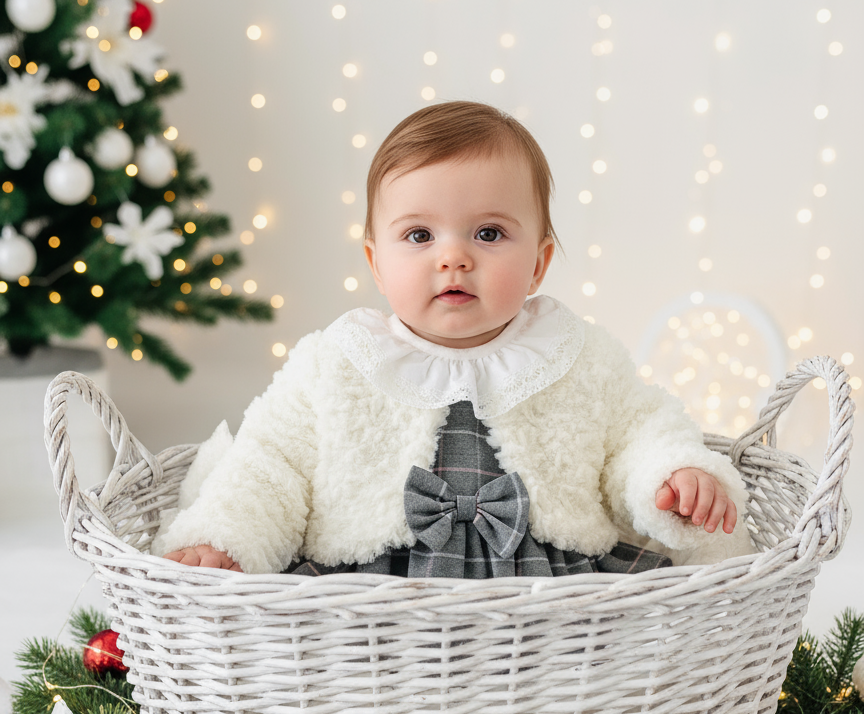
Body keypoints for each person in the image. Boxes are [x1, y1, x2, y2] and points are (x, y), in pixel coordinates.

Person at [157, 101, 751, 578]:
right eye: (418, 235)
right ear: (375, 263)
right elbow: (270, 465)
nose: (454, 258)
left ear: (539, 264)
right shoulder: (337, 362)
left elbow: (637, 433)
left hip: (551, 603)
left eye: (489, 233)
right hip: (370, 604)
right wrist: (227, 537)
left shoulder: (576, 355)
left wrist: (670, 476)